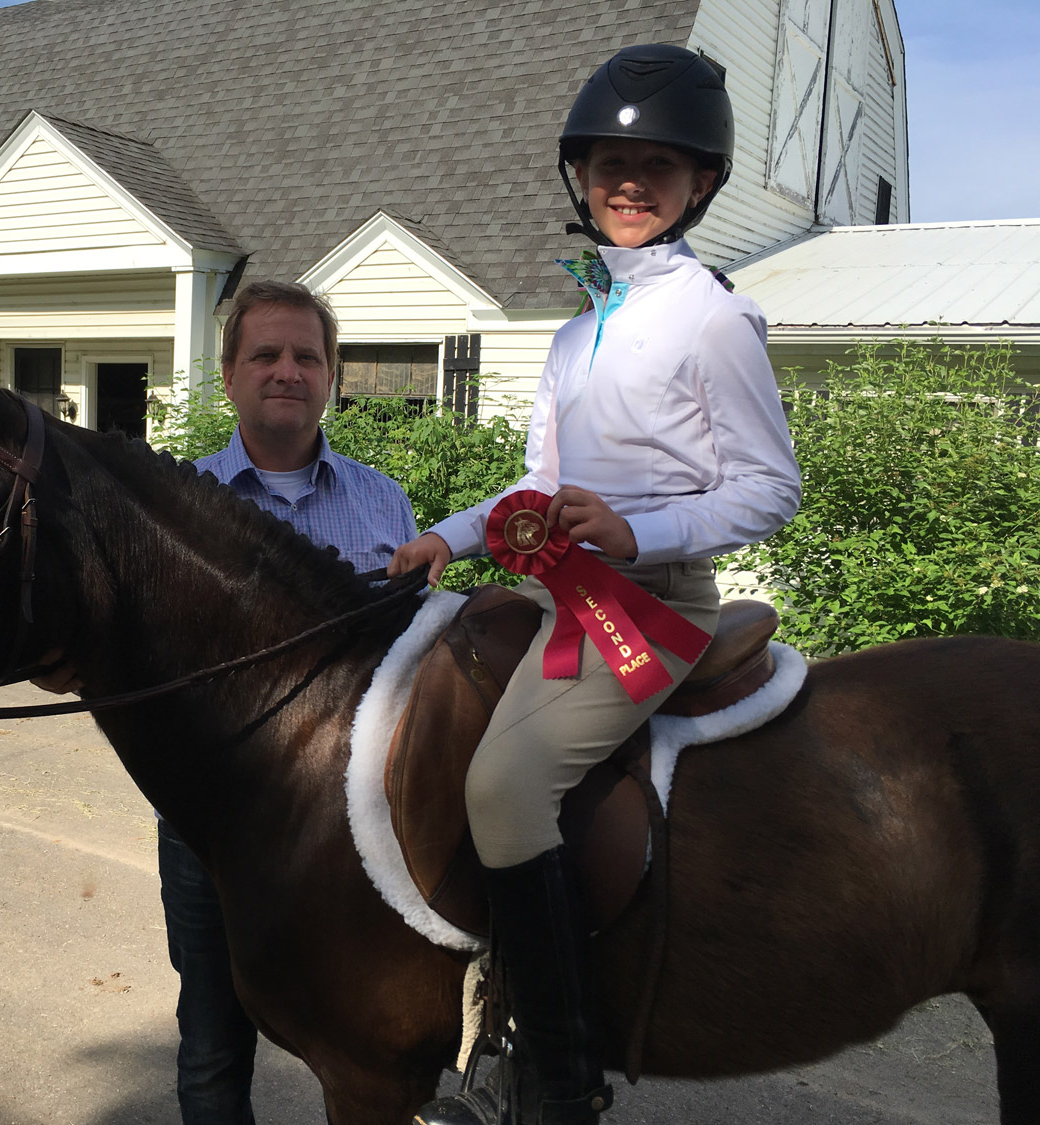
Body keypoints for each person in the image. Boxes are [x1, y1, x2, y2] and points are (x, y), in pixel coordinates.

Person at [391, 45, 801, 1125]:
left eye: (656, 166)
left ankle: (555, 1074)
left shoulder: (714, 317)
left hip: (652, 607)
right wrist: (450, 535)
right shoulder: (578, 333)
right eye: (611, 162)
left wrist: (637, 530)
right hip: (552, 589)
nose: (630, 182)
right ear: (581, 175)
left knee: (503, 788)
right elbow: (540, 487)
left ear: (698, 185)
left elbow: (771, 486)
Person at [40, 279, 415, 1124]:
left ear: (332, 375)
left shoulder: (385, 501)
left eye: (307, 356)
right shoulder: (170, 505)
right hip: (213, 830)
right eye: (266, 354)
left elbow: (413, 656)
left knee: (367, 1036)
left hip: (362, 825)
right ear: (229, 373)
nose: (287, 370)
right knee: (212, 1044)